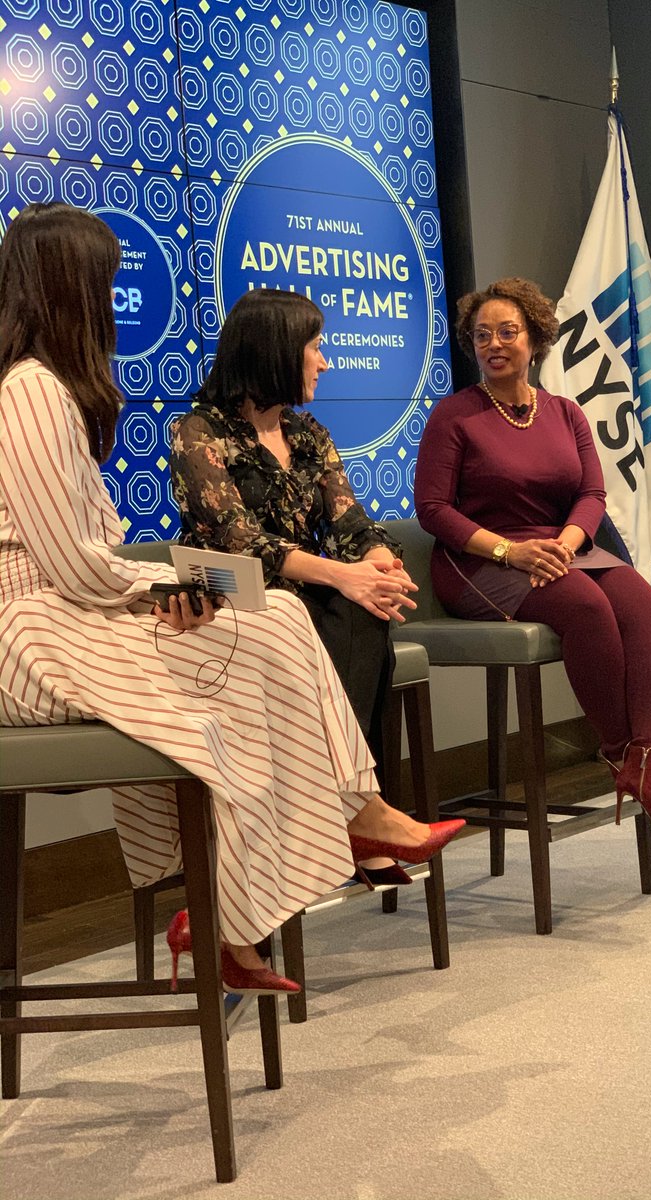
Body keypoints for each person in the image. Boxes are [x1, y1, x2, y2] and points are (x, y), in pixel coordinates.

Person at [0, 203, 463, 996]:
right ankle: (327, 837)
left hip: (74, 611)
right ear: (68, 286)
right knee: (274, 611)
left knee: (274, 609)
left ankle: (300, 859)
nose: (113, 300)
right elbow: (74, 569)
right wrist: (168, 587)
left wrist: (189, 586)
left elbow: (94, 566)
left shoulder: (52, 392)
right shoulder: (34, 390)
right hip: (33, 632)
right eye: (105, 281)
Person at [414, 276, 651, 831]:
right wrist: (510, 551)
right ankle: (621, 753)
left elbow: (591, 493)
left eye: (507, 332)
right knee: (586, 607)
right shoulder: (454, 415)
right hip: (478, 560)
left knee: (641, 602)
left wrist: (567, 543)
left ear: (535, 338)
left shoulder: (565, 412)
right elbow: (433, 510)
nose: (494, 344)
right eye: (481, 335)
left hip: (561, 548)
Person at [169, 290, 421, 886]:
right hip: (232, 603)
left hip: (303, 597)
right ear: (277, 351)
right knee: (343, 609)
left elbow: (350, 521)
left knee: (365, 610)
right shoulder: (199, 432)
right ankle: (353, 814)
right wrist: (343, 575)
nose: (325, 362)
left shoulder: (307, 434)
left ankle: (342, 813)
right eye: (315, 347)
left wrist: (380, 564)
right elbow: (241, 543)